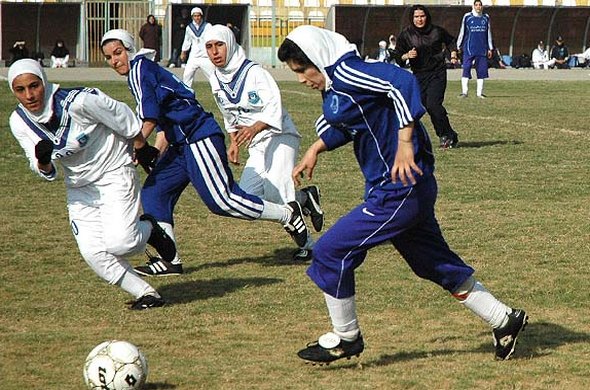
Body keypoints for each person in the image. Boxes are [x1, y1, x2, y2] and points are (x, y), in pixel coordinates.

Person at [277, 25, 528, 365]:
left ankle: (347, 338)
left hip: (399, 190)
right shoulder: (337, 83)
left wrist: (405, 144)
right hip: (404, 188)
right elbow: (357, 123)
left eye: (302, 70)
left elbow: (403, 83)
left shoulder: (349, 71)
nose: (302, 79)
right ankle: (504, 319)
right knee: (436, 266)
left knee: (330, 251)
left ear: (317, 58)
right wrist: (316, 149)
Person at [100, 29, 309, 276]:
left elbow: (149, 120)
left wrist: (134, 149)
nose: (115, 61)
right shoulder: (143, 69)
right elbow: (164, 120)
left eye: (118, 53)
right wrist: (151, 150)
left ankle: (287, 212)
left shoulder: (139, 70)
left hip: (198, 137)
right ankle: (170, 259)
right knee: (155, 192)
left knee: (222, 201)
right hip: (181, 143)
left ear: (129, 49)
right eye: (109, 57)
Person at [7, 59, 177, 310]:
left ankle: (150, 229)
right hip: (79, 187)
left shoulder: (80, 101)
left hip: (114, 171)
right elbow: (46, 172)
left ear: (44, 81)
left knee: (122, 242)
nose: (30, 95)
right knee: (94, 253)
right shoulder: (19, 121)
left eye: (34, 85)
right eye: (20, 90)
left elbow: (123, 115)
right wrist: (42, 161)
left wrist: (140, 146)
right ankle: (147, 294)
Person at [204, 24, 324, 262]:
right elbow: (230, 115)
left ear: (230, 43)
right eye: (209, 46)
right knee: (247, 199)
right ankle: (305, 198)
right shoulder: (216, 78)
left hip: (281, 135)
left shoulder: (254, 72)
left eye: (219, 45)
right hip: (256, 142)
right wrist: (234, 142)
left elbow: (275, 108)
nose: (214, 51)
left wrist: (255, 127)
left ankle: (308, 246)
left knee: (277, 190)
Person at [394, 5, 459, 150]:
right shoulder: (406, 34)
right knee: (423, 107)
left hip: (437, 72)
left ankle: (445, 135)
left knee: (433, 105)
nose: (419, 19)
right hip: (419, 75)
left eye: (422, 16)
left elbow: (450, 41)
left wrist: (453, 54)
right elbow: (398, 55)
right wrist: (406, 56)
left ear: (427, 16)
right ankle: (451, 134)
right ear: (412, 18)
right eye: (416, 17)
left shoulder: (436, 31)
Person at [456, 0, 493, 99]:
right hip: (469, 48)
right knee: (466, 68)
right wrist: (458, 45)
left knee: (481, 71)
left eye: (480, 5)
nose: (478, 7)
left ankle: (479, 93)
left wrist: (490, 48)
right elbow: (462, 31)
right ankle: (464, 92)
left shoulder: (486, 18)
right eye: (476, 5)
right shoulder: (467, 17)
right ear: (473, 6)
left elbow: (488, 33)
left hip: (482, 49)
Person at [180, 7, 215, 87]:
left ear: (201, 16)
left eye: (198, 16)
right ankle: (187, 96)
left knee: (213, 77)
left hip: (205, 56)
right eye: (195, 16)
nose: (197, 18)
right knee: (187, 76)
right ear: (192, 17)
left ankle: (219, 95)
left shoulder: (208, 26)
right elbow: (187, 41)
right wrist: (183, 52)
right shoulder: (189, 28)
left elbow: (213, 39)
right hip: (194, 56)